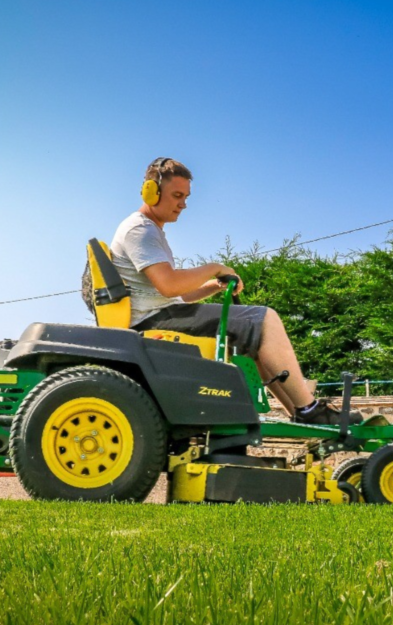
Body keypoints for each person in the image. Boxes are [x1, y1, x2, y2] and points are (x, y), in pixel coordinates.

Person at [109, 157, 362, 426]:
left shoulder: (149, 231)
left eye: (186, 196)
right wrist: (214, 268)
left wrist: (213, 286)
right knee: (264, 319)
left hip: (161, 313)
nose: (183, 204)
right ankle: (309, 410)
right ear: (152, 191)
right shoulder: (141, 230)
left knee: (252, 335)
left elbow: (174, 295)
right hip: (154, 321)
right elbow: (169, 284)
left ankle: (300, 412)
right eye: (177, 195)